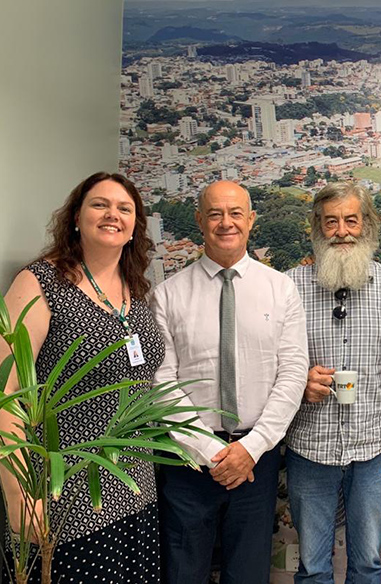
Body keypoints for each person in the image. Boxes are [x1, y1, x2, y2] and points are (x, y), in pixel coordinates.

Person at [1, 171, 164, 582]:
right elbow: (7, 391)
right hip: (65, 491)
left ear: (134, 228)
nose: (113, 214)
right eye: (100, 204)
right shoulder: (40, 282)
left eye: (124, 209)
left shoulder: (135, 288)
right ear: (76, 217)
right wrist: (19, 495)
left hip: (135, 486)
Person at [150, 180, 308, 584]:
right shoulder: (167, 295)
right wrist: (211, 450)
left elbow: (291, 374)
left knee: (249, 573)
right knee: (183, 571)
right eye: (215, 214)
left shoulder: (281, 290)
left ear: (251, 220)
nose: (226, 223)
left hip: (257, 458)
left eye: (235, 213)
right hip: (186, 458)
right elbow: (162, 382)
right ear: (200, 221)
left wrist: (250, 449)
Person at [285, 182, 381, 584]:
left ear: (368, 225)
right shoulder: (289, 286)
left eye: (351, 220)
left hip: (373, 445)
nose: (342, 231)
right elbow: (269, 362)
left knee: (368, 565)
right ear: (317, 228)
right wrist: (298, 382)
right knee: (312, 566)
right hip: (309, 445)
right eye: (331, 222)